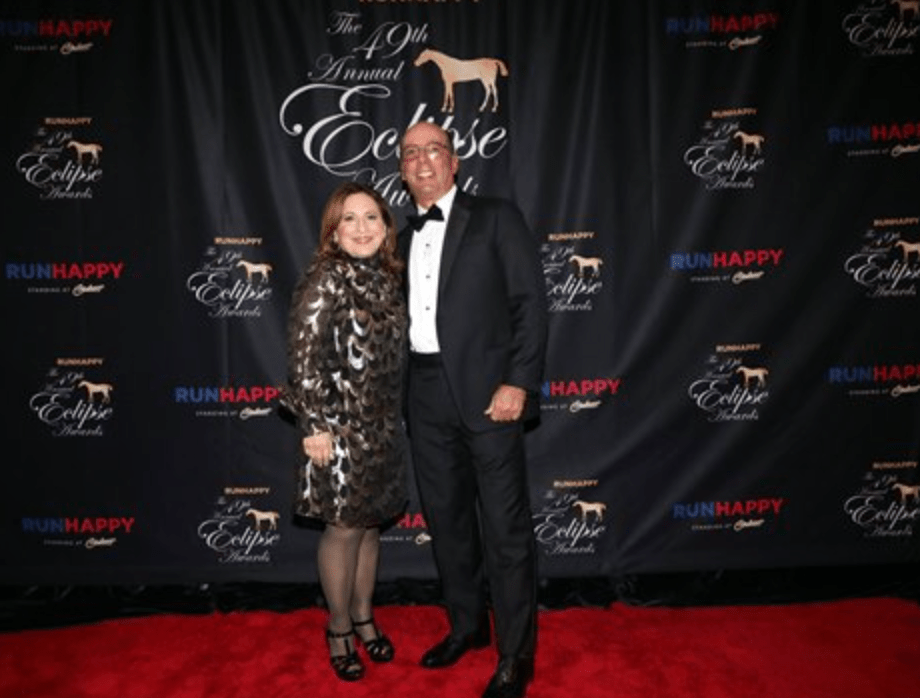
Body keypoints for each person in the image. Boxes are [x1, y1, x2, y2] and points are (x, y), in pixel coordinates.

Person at [398, 122, 548, 698]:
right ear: (404, 170)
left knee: (506, 529)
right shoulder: (403, 238)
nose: (424, 161)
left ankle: (516, 654)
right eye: (412, 154)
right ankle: (467, 627)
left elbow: (530, 305)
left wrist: (518, 382)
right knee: (448, 523)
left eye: (434, 150)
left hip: (491, 395)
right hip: (425, 393)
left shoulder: (495, 217)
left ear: (454, 161)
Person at [281, 181, 408, 682]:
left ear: (385, 227)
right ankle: (337, 628)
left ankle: (363, 617)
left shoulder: (385, 278)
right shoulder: (325, 278)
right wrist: (313, 425)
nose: (361, 228)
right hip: (337, 427)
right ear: (333, 231)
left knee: (371, 524)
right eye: (349, 219)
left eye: (371, 217)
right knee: (344, 528)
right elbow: (303, 355)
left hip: (382, 428)